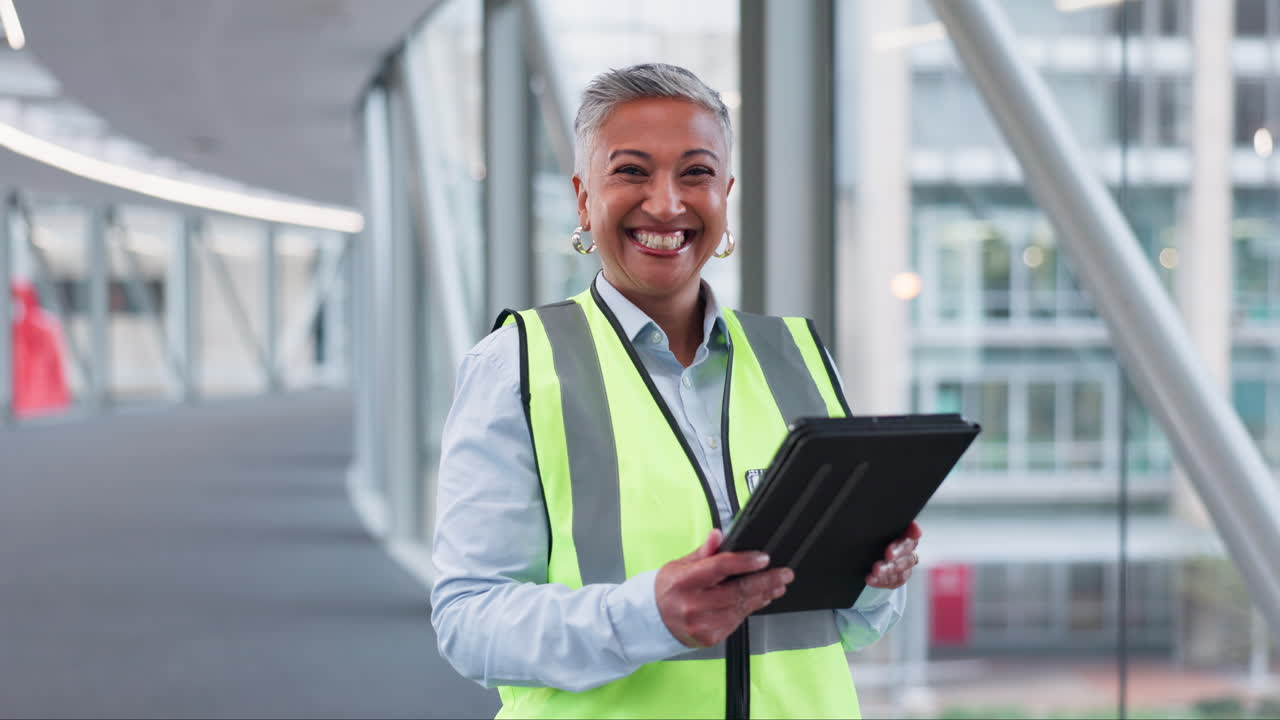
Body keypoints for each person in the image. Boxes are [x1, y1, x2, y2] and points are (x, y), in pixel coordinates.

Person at [431, 63, 922, 719]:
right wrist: (647, 615)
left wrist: (875, 581)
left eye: (695, 173)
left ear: (726, 192)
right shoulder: (517, 365)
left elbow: (850, 626)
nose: (666, 203)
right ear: (583, 199)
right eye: (632, 171)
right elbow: (469, 620)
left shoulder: (797, 357)